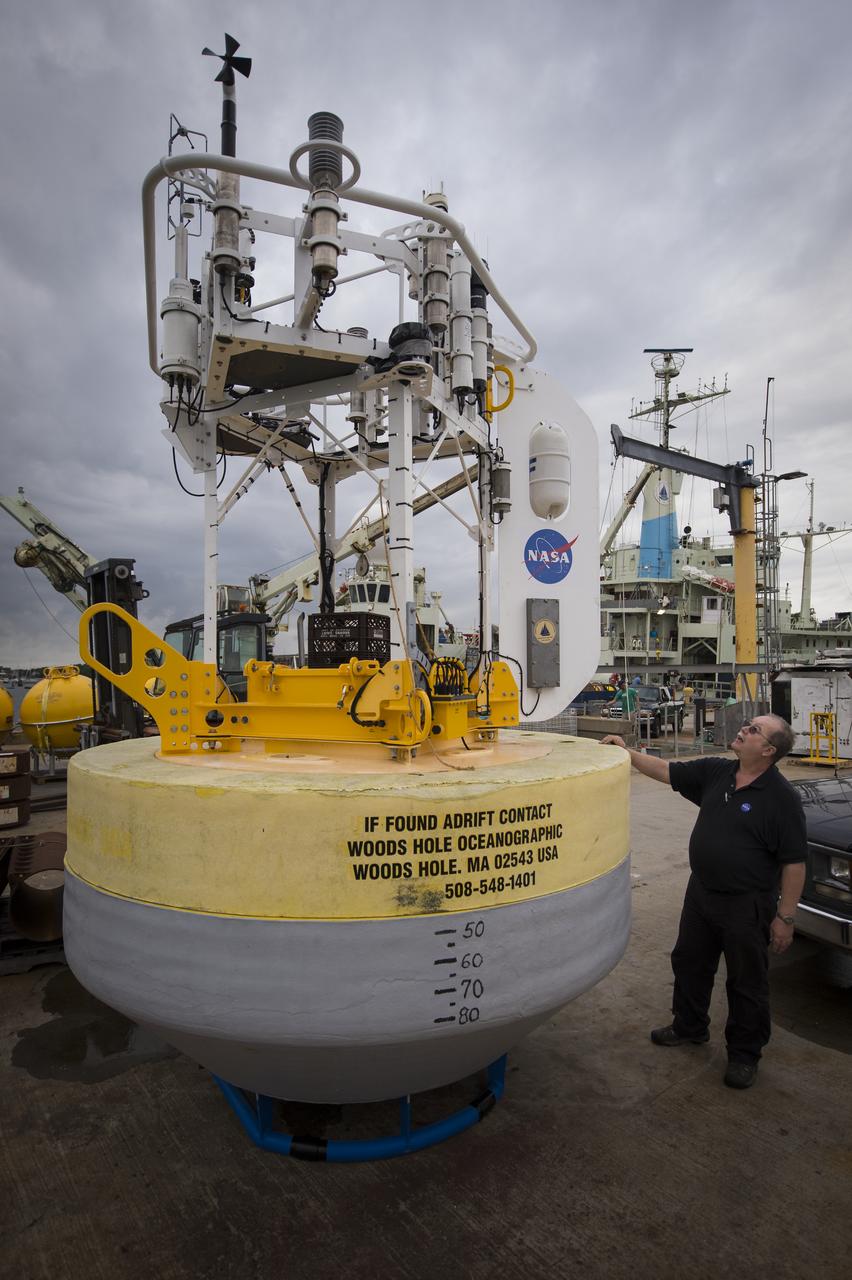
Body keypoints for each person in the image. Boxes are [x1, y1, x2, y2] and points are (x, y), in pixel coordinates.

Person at [601, 714, 806, 1091]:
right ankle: (689, 1026)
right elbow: (667, 771)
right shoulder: (718, 772)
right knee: (690, 962)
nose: (743, 729)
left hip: (747, 904)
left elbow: (794, 862)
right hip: (701, 893)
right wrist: (626, 753)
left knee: (747, 981)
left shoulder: (782, 799)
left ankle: (745, 1054)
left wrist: (785, 917)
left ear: (768, 750)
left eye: (753, 729)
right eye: (747, 724)